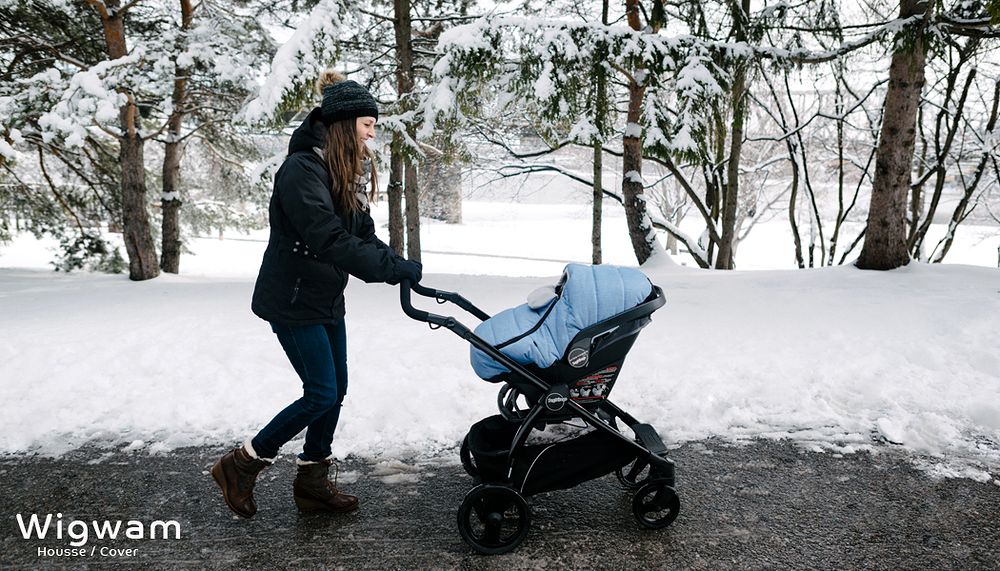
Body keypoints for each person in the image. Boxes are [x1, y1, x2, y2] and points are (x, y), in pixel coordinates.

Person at [211, 71, 422, 518]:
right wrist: (387, 270)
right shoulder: (301, 169)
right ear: (345, 124)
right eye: (368, 124)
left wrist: (396, 264)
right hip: (292, 298)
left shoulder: (341, 168)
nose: (372, 133)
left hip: (324, 295)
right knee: (321, 392)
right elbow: (326, 237)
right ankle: (242, 463)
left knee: (335, 388)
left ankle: (312, 481)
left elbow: (360, 231)